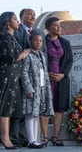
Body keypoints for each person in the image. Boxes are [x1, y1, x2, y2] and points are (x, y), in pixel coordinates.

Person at [10, 8, 47, 147]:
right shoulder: (17, 31)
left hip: (37, 78)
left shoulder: (39, 32)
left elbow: (44, 54)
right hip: (19, 74)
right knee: (18, 109)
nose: (33, 16)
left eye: (34, 14)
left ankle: (28, 138)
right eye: (29, 14)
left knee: (32, 110)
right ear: (21, 17)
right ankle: (14, 138)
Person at [40, 17, 73, 146]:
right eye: (55, 25)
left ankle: (55, 137)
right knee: (44, 107)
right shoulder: (42, 42)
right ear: (48, 28)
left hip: (61, 80)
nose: (58, 28)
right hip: (46, 79)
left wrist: (62, 74)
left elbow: (69, 60)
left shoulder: (65, 43)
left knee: (59, 108)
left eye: (59, 25)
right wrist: (46, 74)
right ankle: (44, 138)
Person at [0, 12, 30, 149]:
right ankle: (5, 138)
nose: (18, 22)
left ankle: (10, 137)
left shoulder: (13, 38)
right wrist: (23, 54)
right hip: (6, 75)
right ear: (7, 22)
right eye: (15, 19)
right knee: (5, 106)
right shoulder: (4, 37)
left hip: (14, 77)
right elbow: (11, 57)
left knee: (13, 107)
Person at [20, 31, 54, 148]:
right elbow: (24, 73)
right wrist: (28, 89)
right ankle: (31, 140)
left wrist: (46, 88)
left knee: (37, 114)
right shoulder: (28, 56)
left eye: (40, 41)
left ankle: (35, 139)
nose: (38, 43)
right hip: (32, 89)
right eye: (35, 40)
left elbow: (44, 73)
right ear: (30, 42)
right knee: (30, 114)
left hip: (41, 89)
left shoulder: (42, 56)